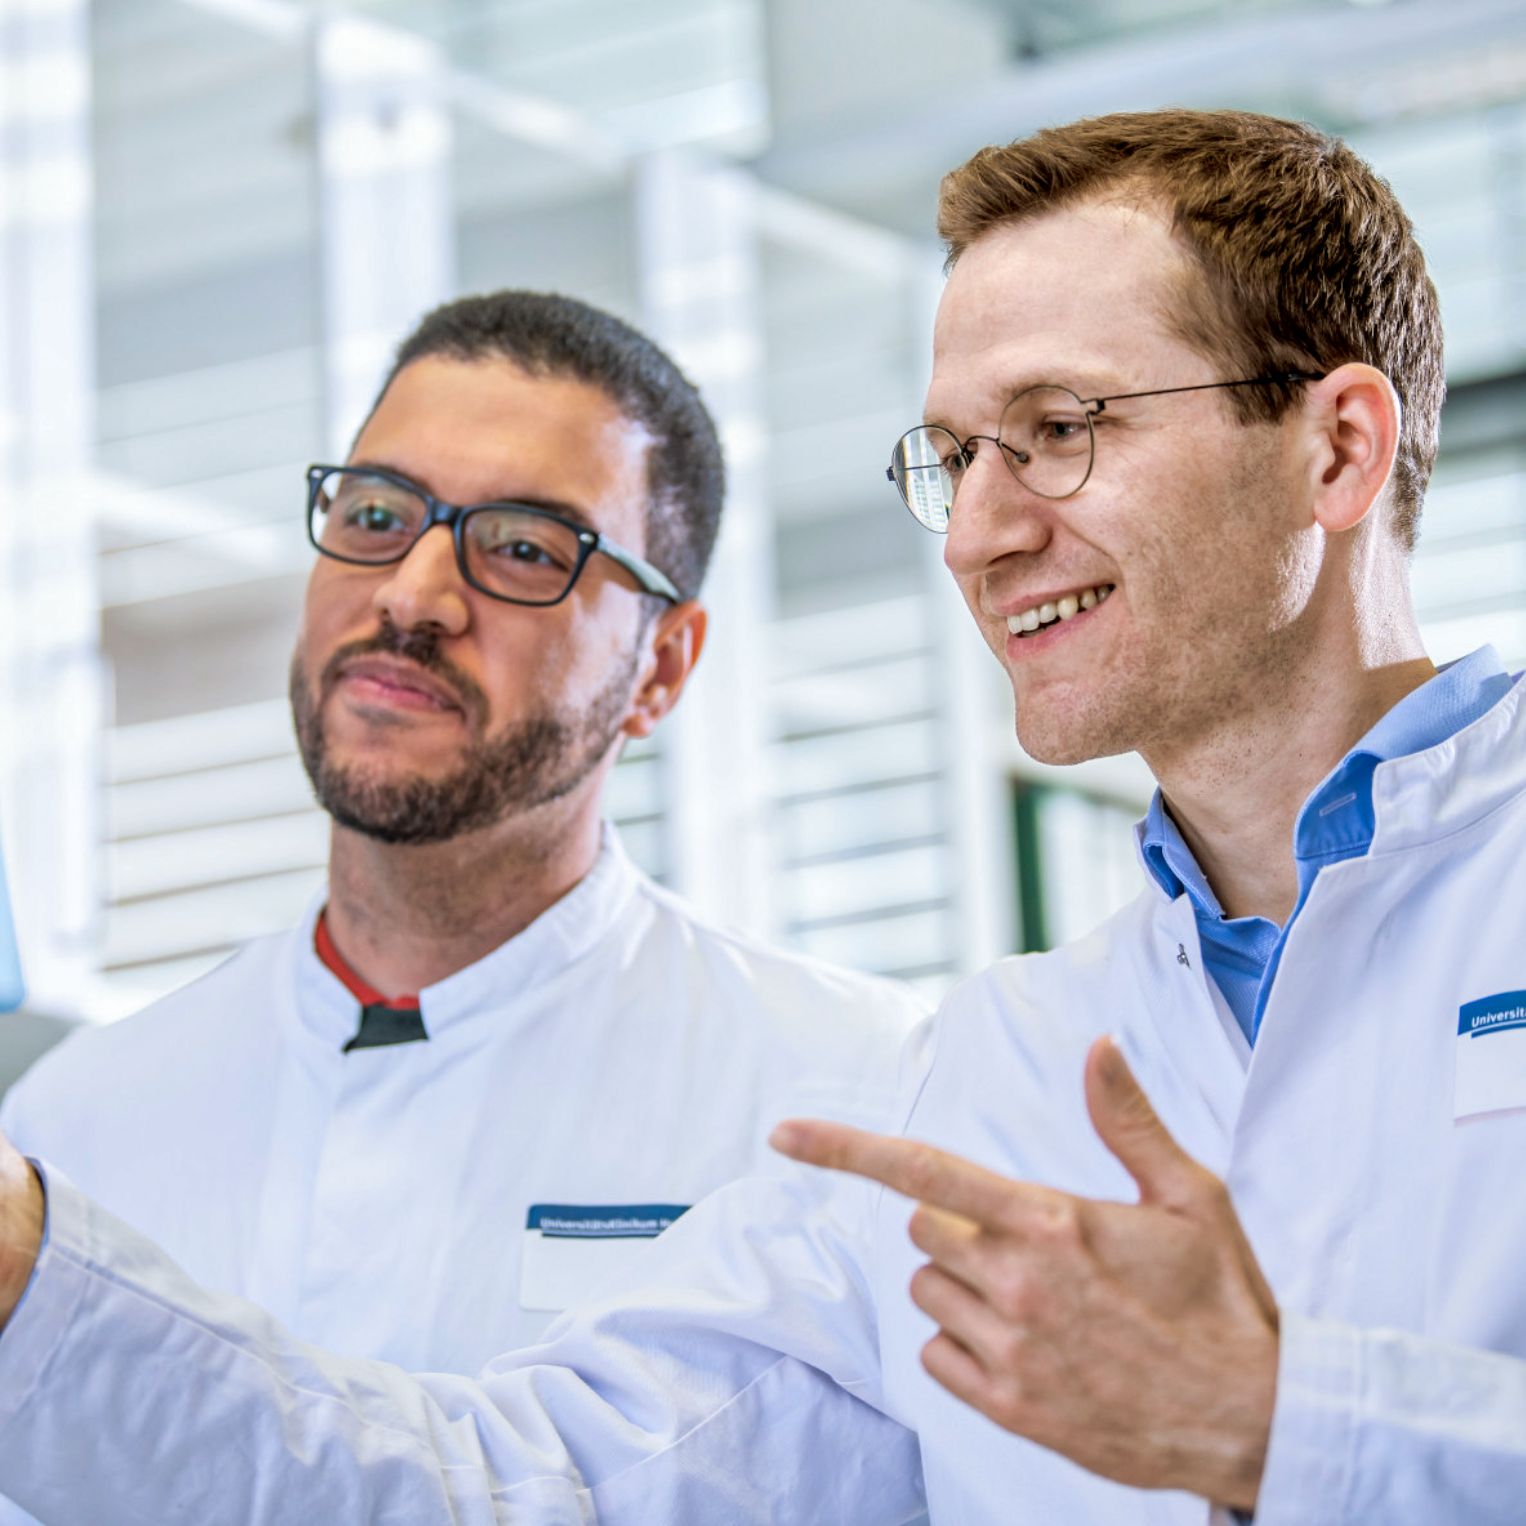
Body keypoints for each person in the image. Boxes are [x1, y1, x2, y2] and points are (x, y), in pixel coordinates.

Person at [0, 106, 1521, 1525]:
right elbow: (507, 1487)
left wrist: (1286, 1420)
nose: (984, 531)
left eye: (1060, 426)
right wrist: (21, 1270)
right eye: (957, 455)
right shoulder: (982, 1081)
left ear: (1335, 446)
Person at [0, 292, 925, 1513]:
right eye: (375, 515)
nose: (415, 593)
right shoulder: (77, 1116)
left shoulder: (857, 1094)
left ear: (661, 665)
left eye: (526, 547)